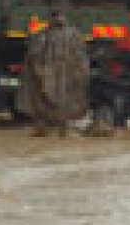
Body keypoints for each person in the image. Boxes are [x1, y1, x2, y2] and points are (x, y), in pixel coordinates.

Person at [21, 8, 89, 136]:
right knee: (47, 97)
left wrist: (81, 71)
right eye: (56, 17)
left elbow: (80, 54)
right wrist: (38, 69)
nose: (59, 19)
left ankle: (62, 126)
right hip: (50, 71)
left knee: (64, 99)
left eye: (60, 16)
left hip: (65, 71)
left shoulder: (72, 34)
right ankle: (44, 126)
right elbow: (35, 54)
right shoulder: (44, 35)